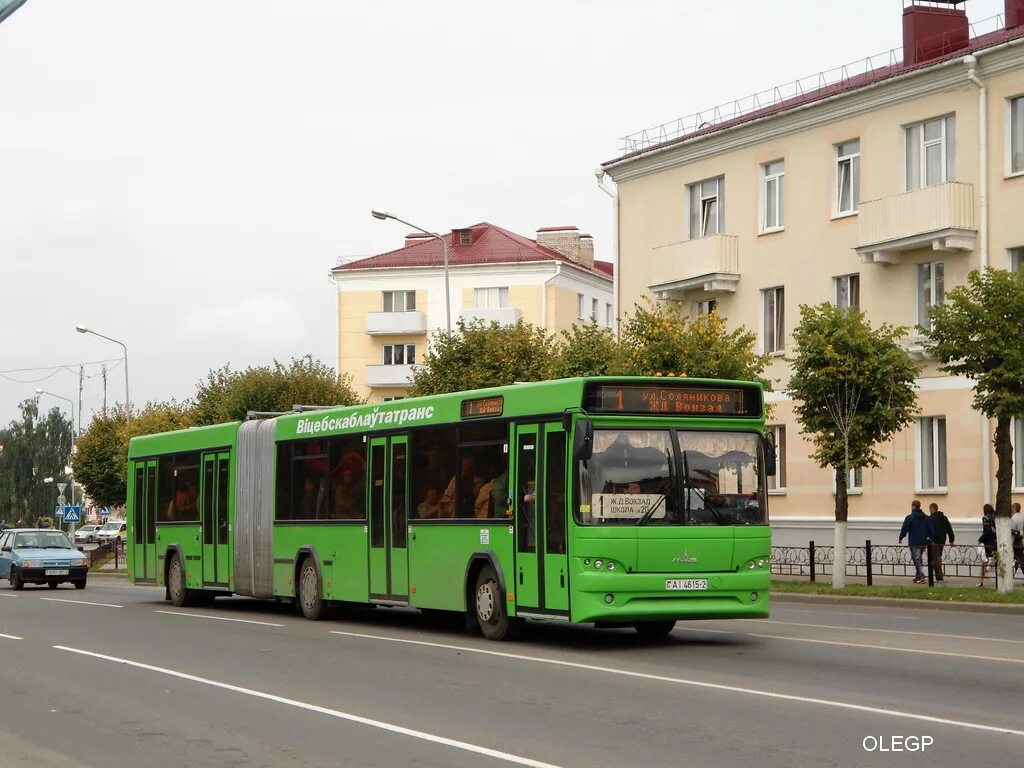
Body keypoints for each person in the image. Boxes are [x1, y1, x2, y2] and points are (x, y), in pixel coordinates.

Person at [898, 499, 933, 584]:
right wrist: (930, 538)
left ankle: (920, 577)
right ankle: (919, 576)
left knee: (916, 559)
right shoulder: (926, 517)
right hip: (923, 542)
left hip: (914, 541)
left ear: (913, 506)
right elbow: (931, 529)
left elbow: (905, 528)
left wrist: (901, 537)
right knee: (918, 558)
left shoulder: (910, 517)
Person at [927, 502, 955, 583]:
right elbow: (949, 529)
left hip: (933, 541)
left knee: (936, 559)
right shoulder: (944, 518)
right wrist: (951, 540)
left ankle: (939, 578)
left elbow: (929, 530)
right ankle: (932, 576)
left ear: (932, 509)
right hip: (942, 541)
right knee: (936, 558)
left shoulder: (930, 518)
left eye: (930, 509)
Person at [977, 503, 997, 587]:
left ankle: (981, 581)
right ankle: (999, 581)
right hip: (997, 541)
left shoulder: (985, 518)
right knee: (998, 562)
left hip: (988, 543)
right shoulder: (996, 516)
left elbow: (987, 531)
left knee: (984, 562)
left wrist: (980, 539)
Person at [1010, 502, 1023, 577]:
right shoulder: (1022, 516)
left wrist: (1017, 533)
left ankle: (1011, 576)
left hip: (1015, 541)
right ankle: (1011, 576)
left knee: (1019, 559)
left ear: (1014, 509)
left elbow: (1011, 531)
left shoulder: (1013, 518)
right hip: (1021, 541)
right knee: (1019, 559)